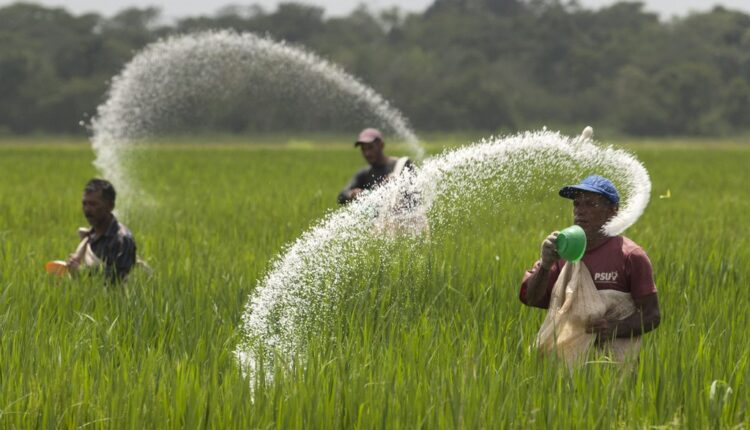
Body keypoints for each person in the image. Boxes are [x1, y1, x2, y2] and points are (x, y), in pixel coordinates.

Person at [520, 175, 661, 348]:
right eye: (577, 204)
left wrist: (615, 328)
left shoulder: (631, 256)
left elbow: (652, 315)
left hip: (615, 366)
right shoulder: (562, 251)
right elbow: (532, 299)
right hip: (565, 364)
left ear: (613, 211)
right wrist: (545, 265)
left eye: (591, 204)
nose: (580, 210)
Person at [66, 178, 137, 282]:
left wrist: (82, 273)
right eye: (84, 204)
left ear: (110, 206)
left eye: (93, 204)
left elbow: (118, 279)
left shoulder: (122, 239)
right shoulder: (89, 236)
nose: (87, 210)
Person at [337, 128, 412, 204]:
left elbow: (414, 196)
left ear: (381, 145)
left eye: (370, 147)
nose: (367, 153)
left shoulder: (401, 165)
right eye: (363, 149)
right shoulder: (365, 174)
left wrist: (394, 186)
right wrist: (352, 194)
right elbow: (341, 196)